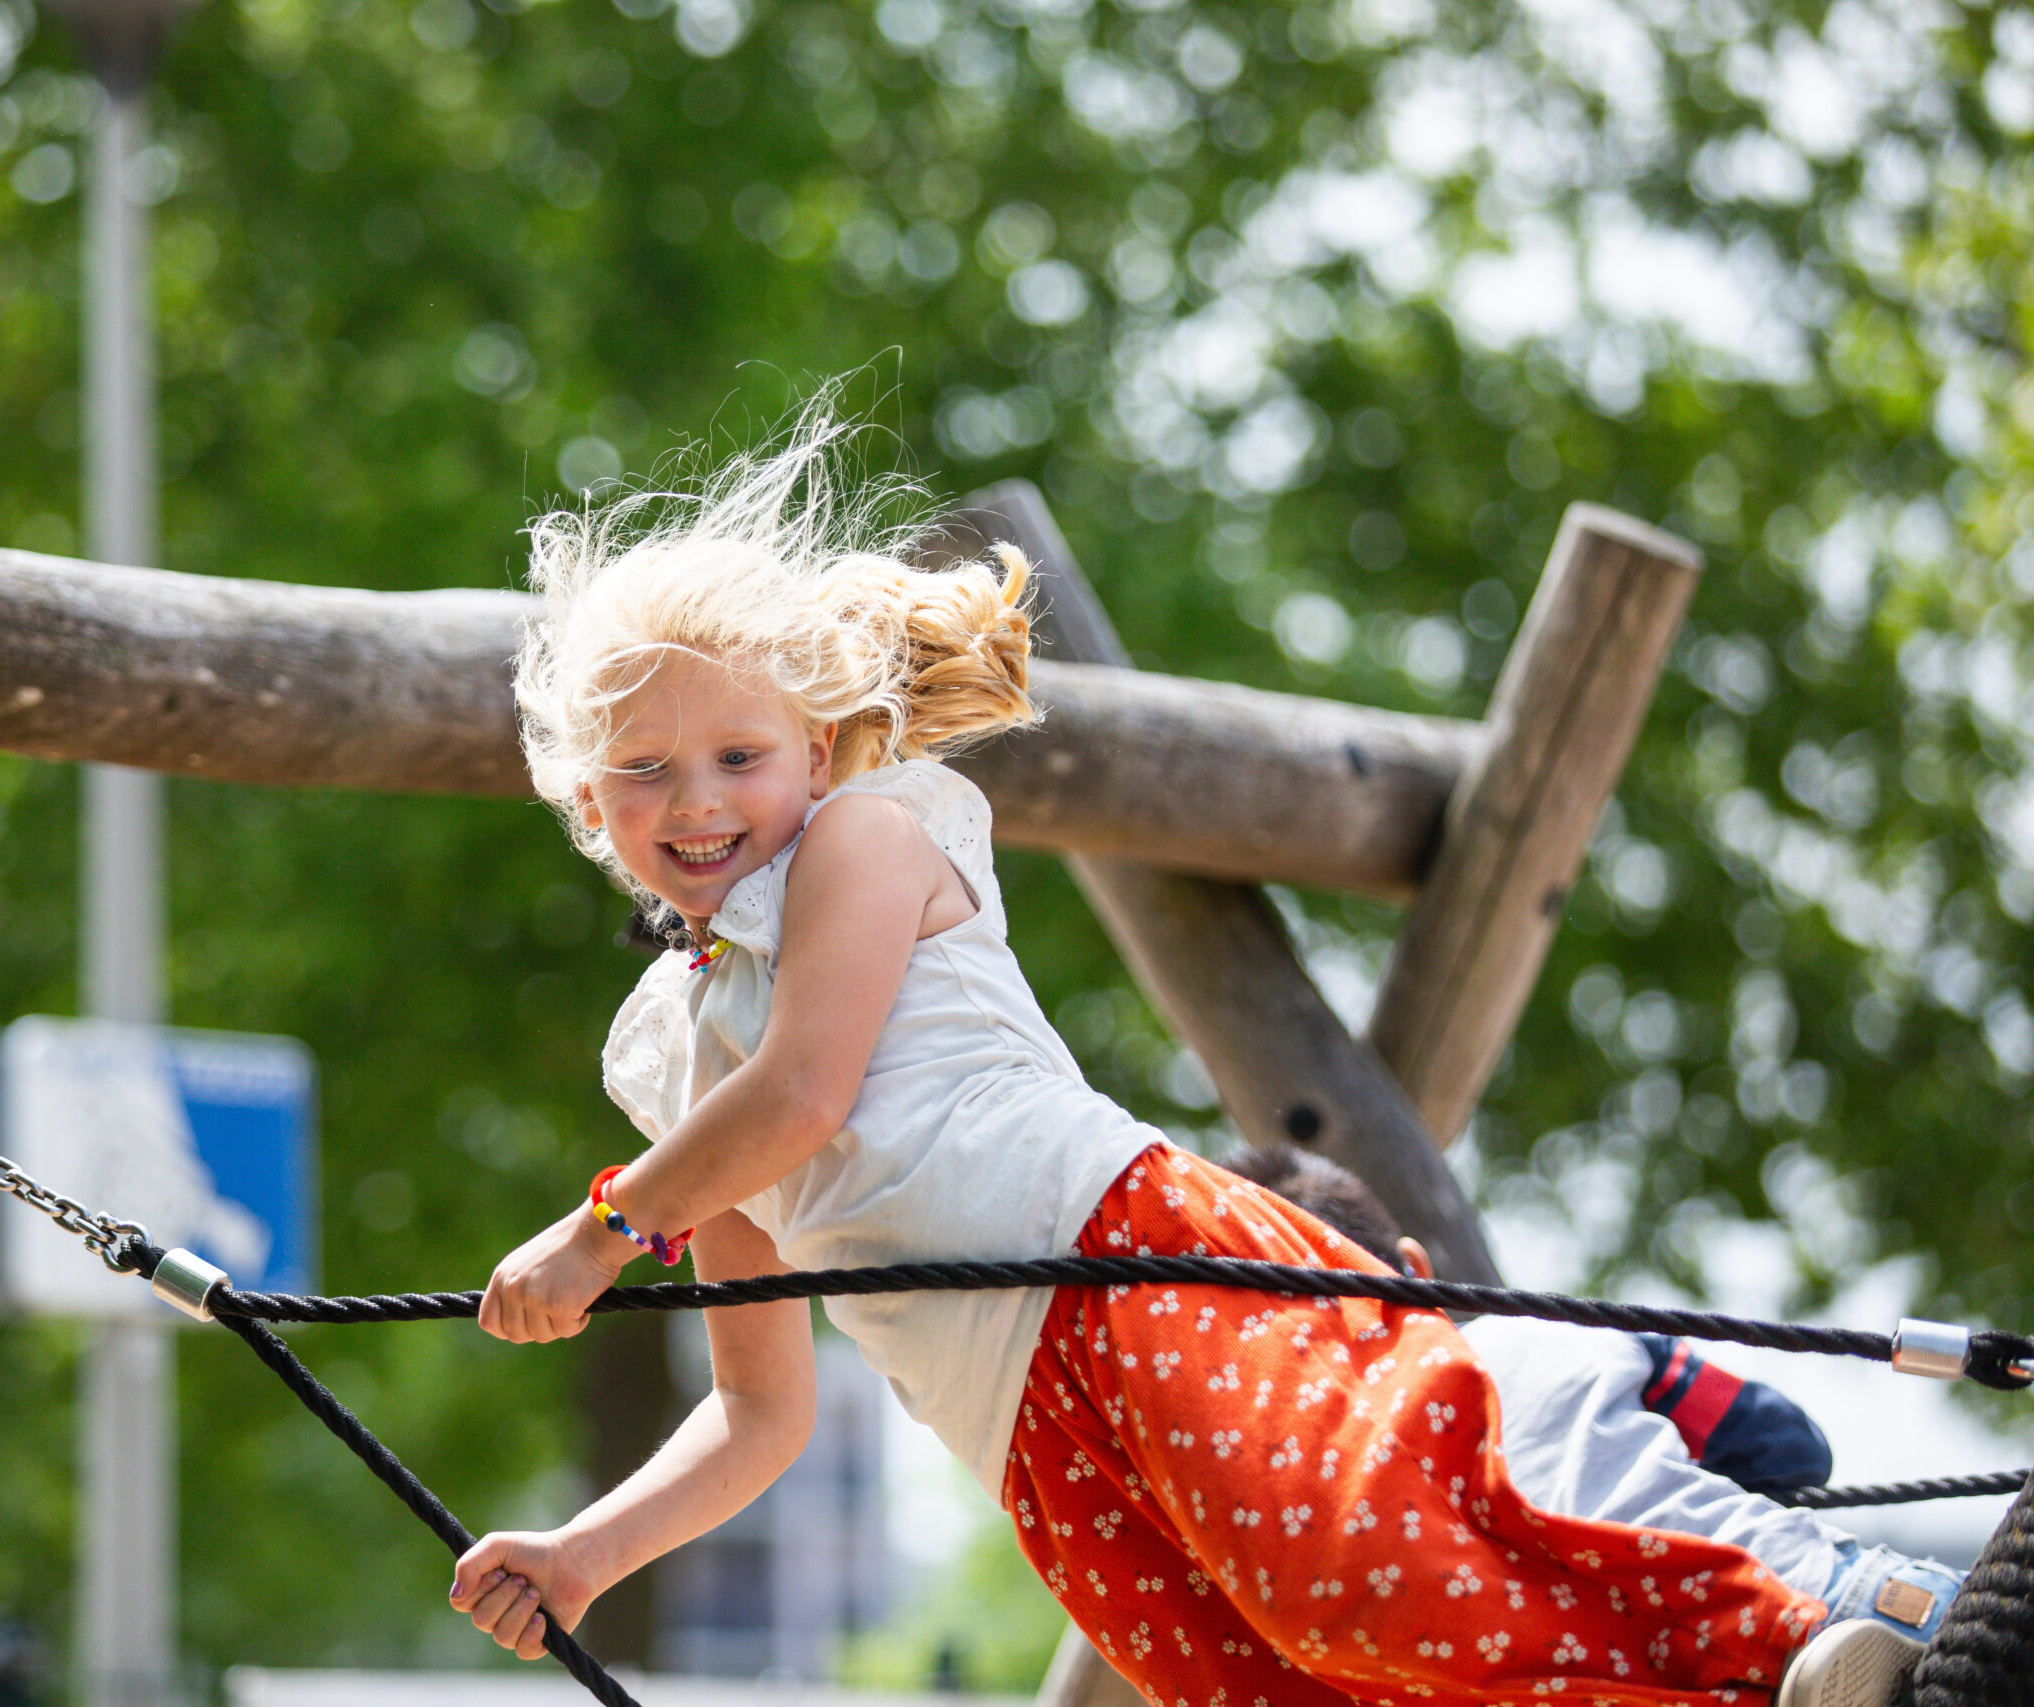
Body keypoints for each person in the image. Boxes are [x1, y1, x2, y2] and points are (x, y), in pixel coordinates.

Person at [443, 410, 1840, 1705]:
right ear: (587, 802)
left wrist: (603, 1229)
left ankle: (1786, 1633)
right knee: (1289, 1682)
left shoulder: (862, 842)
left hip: (1112, 1267)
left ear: (816, 752)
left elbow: (806, 1092)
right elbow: (759, 1409)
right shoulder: (687, 1074)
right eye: (643, 769)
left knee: (1356, 1579)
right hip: (1026, 1436)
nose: (695, 799)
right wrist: (583, 1553)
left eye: (738, 755)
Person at [1228, 1145, 1969, 1707]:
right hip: (1837, 1604)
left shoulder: (1325, 1529)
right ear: (1417, 1269)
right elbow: (1792, 1448)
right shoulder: (1551, 1336)